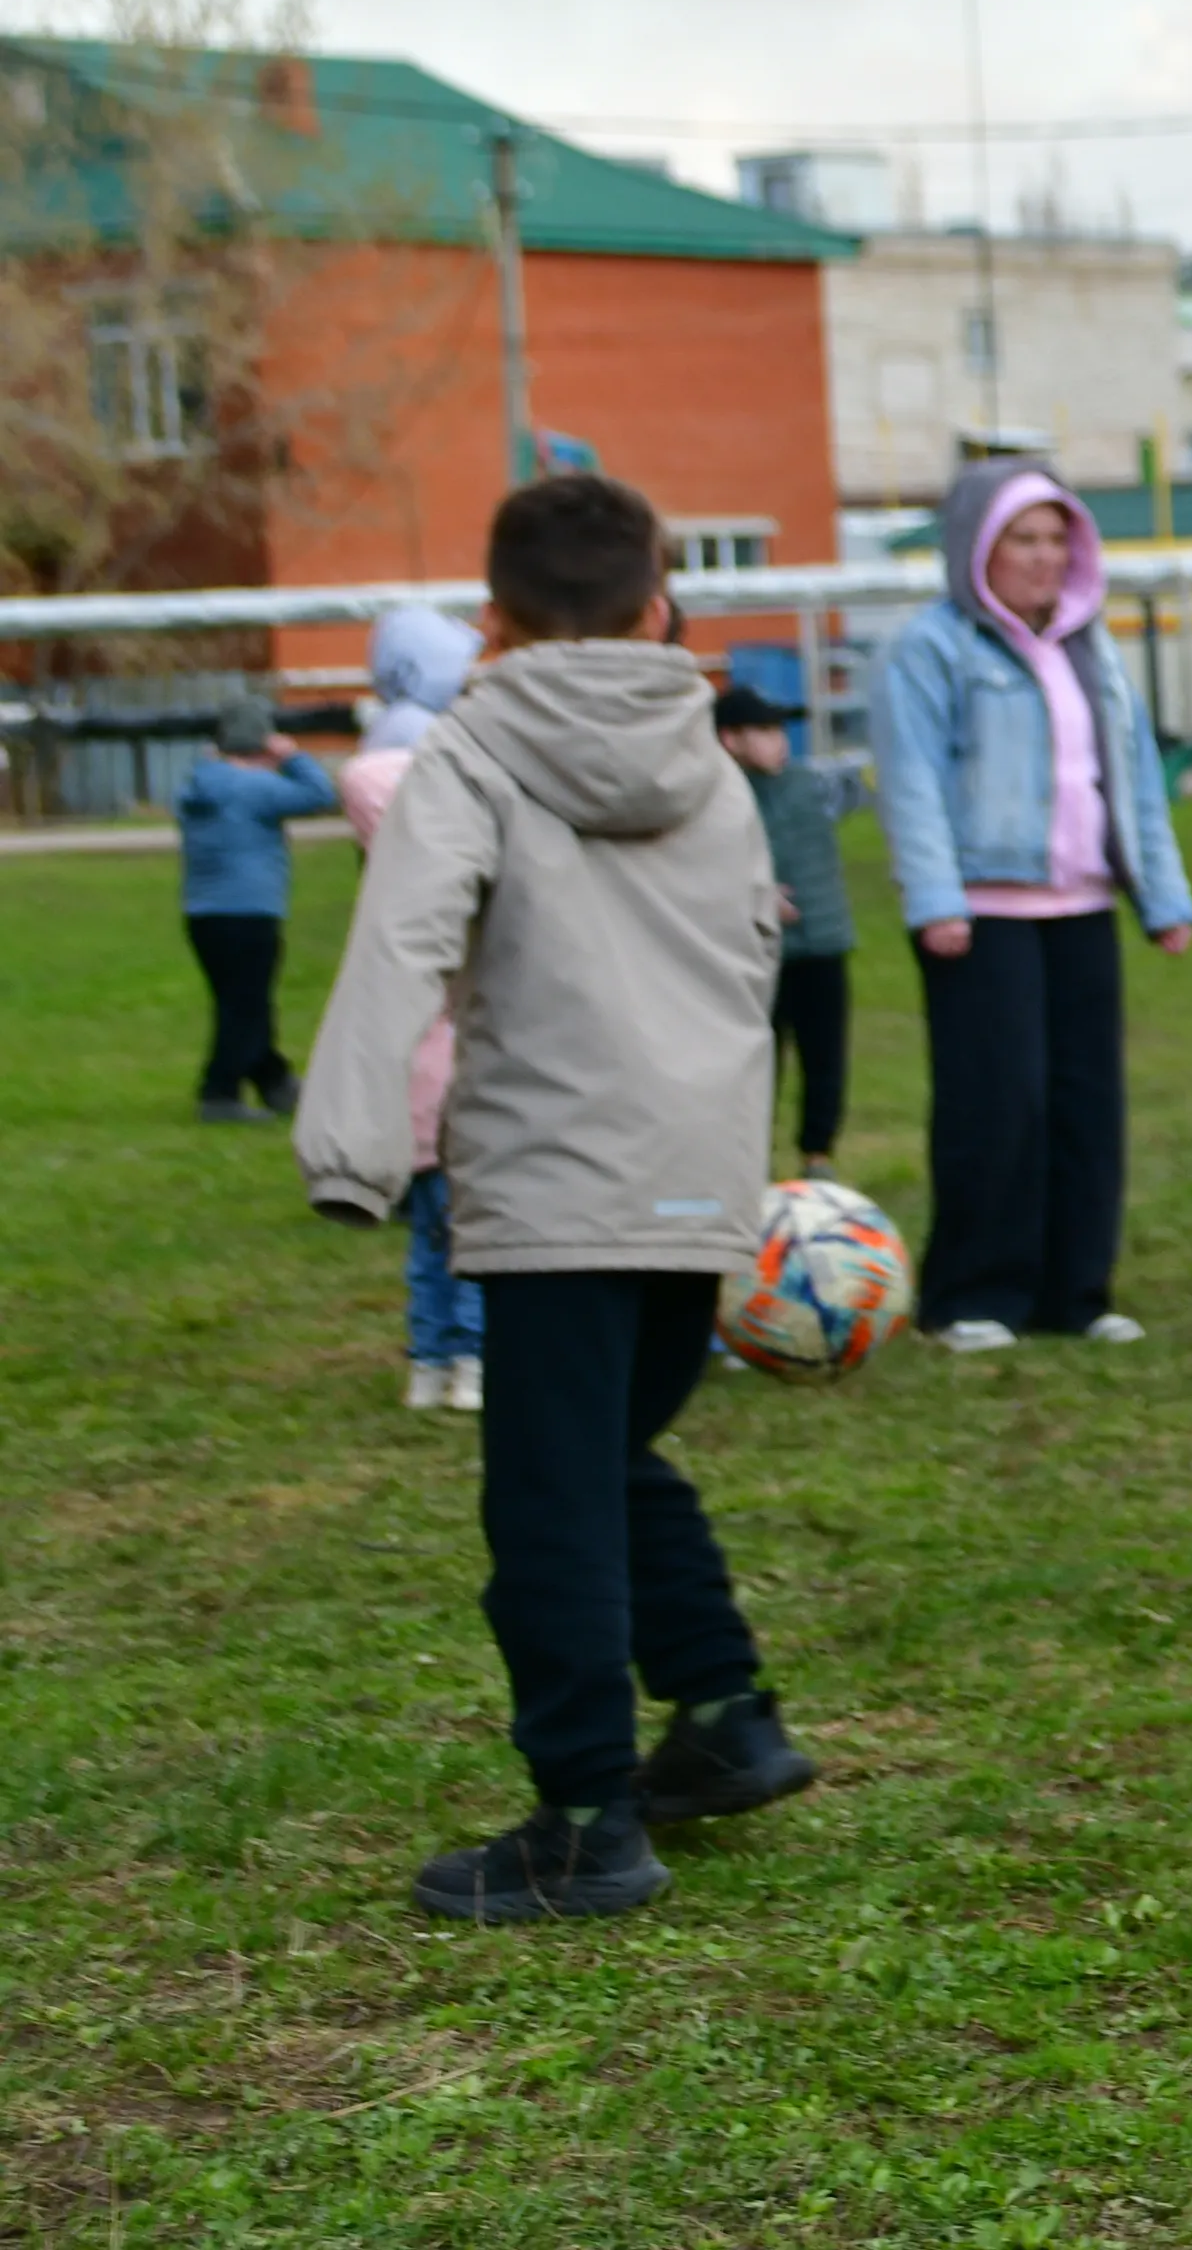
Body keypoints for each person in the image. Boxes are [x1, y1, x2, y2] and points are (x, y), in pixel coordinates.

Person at [293, 473, 815, 1921]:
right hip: (697, 1182)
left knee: (548, 1507)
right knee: (608, 1454)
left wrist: (349, 1152)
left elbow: (399, 948)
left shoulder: (468, 754)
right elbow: (749, 964)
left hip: (553, 1191)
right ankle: (724, 1717)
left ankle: (586, 1818)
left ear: (489, 622)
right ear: (659, 606)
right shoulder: (713, 764)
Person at [876, 463, 1192, 1351]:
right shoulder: (930, 649)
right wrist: (936, 899)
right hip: (982, 914)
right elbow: (912, 784)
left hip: (1082, 906)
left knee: (1086, 1103)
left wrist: (1162, 899)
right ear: (979, 547)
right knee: (998, 1103)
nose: (1045, 557)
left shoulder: (1091, 650)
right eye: (1025, 538)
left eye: (1059, 538)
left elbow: (1132, 784)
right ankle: (972, 1295)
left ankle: (1076, 1293)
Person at [338, 608, 489, 1410]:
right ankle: (462, 1354)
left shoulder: (415, 757)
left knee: (438, 1227)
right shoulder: (403, 762)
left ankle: (434, 1358)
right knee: (462, 1225)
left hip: (430, 1052)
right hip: (444, 1056)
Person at [715, 686, 863, 1176]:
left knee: (825, 1057)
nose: (779, 742)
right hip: (756, 954)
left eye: (780, 730)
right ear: (729, 740)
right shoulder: (714, 796)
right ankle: (747, 1160)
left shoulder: (812, 785)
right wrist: (751, 893)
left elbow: (872, 779)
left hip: (822, 946)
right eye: (764, 731)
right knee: (758, 1062)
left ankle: (818, 1155)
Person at [174, 694, 338, 1124]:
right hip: (249, 910)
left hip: (203, 912)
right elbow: (319, 794)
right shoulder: (254, 787)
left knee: (242, 1001)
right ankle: (219, 1093)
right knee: (244, 1006)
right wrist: (293, 755)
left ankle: (274, 1081)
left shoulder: (198, 783)